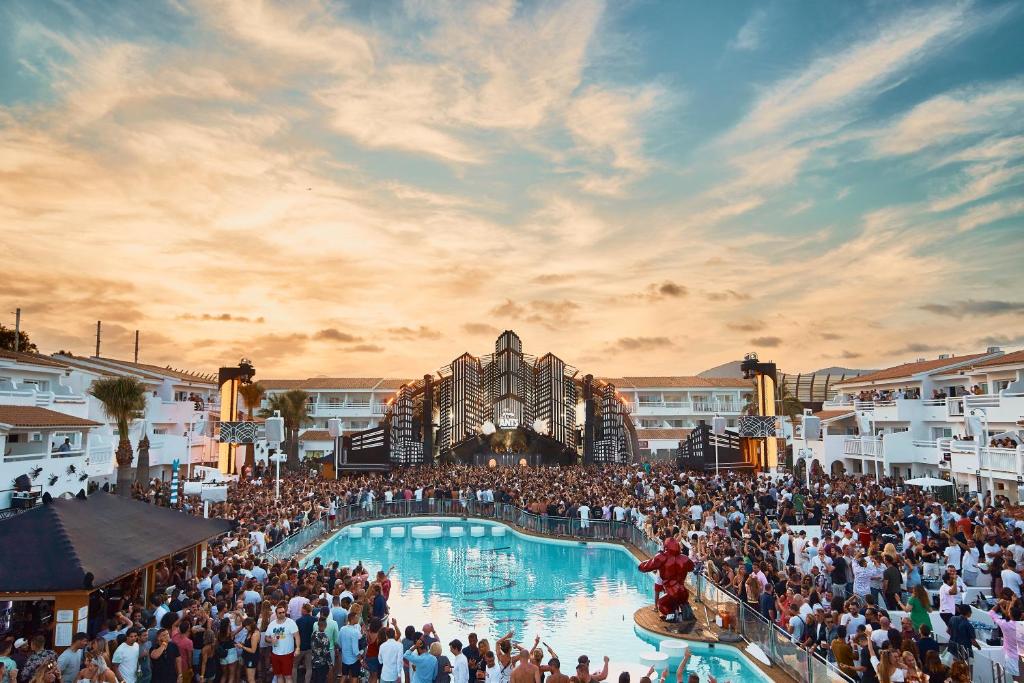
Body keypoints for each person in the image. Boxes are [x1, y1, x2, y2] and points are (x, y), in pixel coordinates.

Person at [267, 605, 300, 683]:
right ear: (276, 614)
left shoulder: (290, 622)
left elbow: (297, 636)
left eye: (283, 612)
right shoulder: (272, 624)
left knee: (288, 676)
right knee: (279, 675)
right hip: (275, 654)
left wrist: (298, 648)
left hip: (287, 654)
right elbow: (266, 638)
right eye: (280, 613)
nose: (282, 614)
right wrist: (271, 640)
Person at [308, 616, 332, 683]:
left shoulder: (314, 634)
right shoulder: (325, 638)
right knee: (321, 680)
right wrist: (330, 664)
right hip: (322, 663)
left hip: (313, 661)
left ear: (318, 625)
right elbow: (326, 652)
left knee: (315, 679)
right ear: (326, 626)